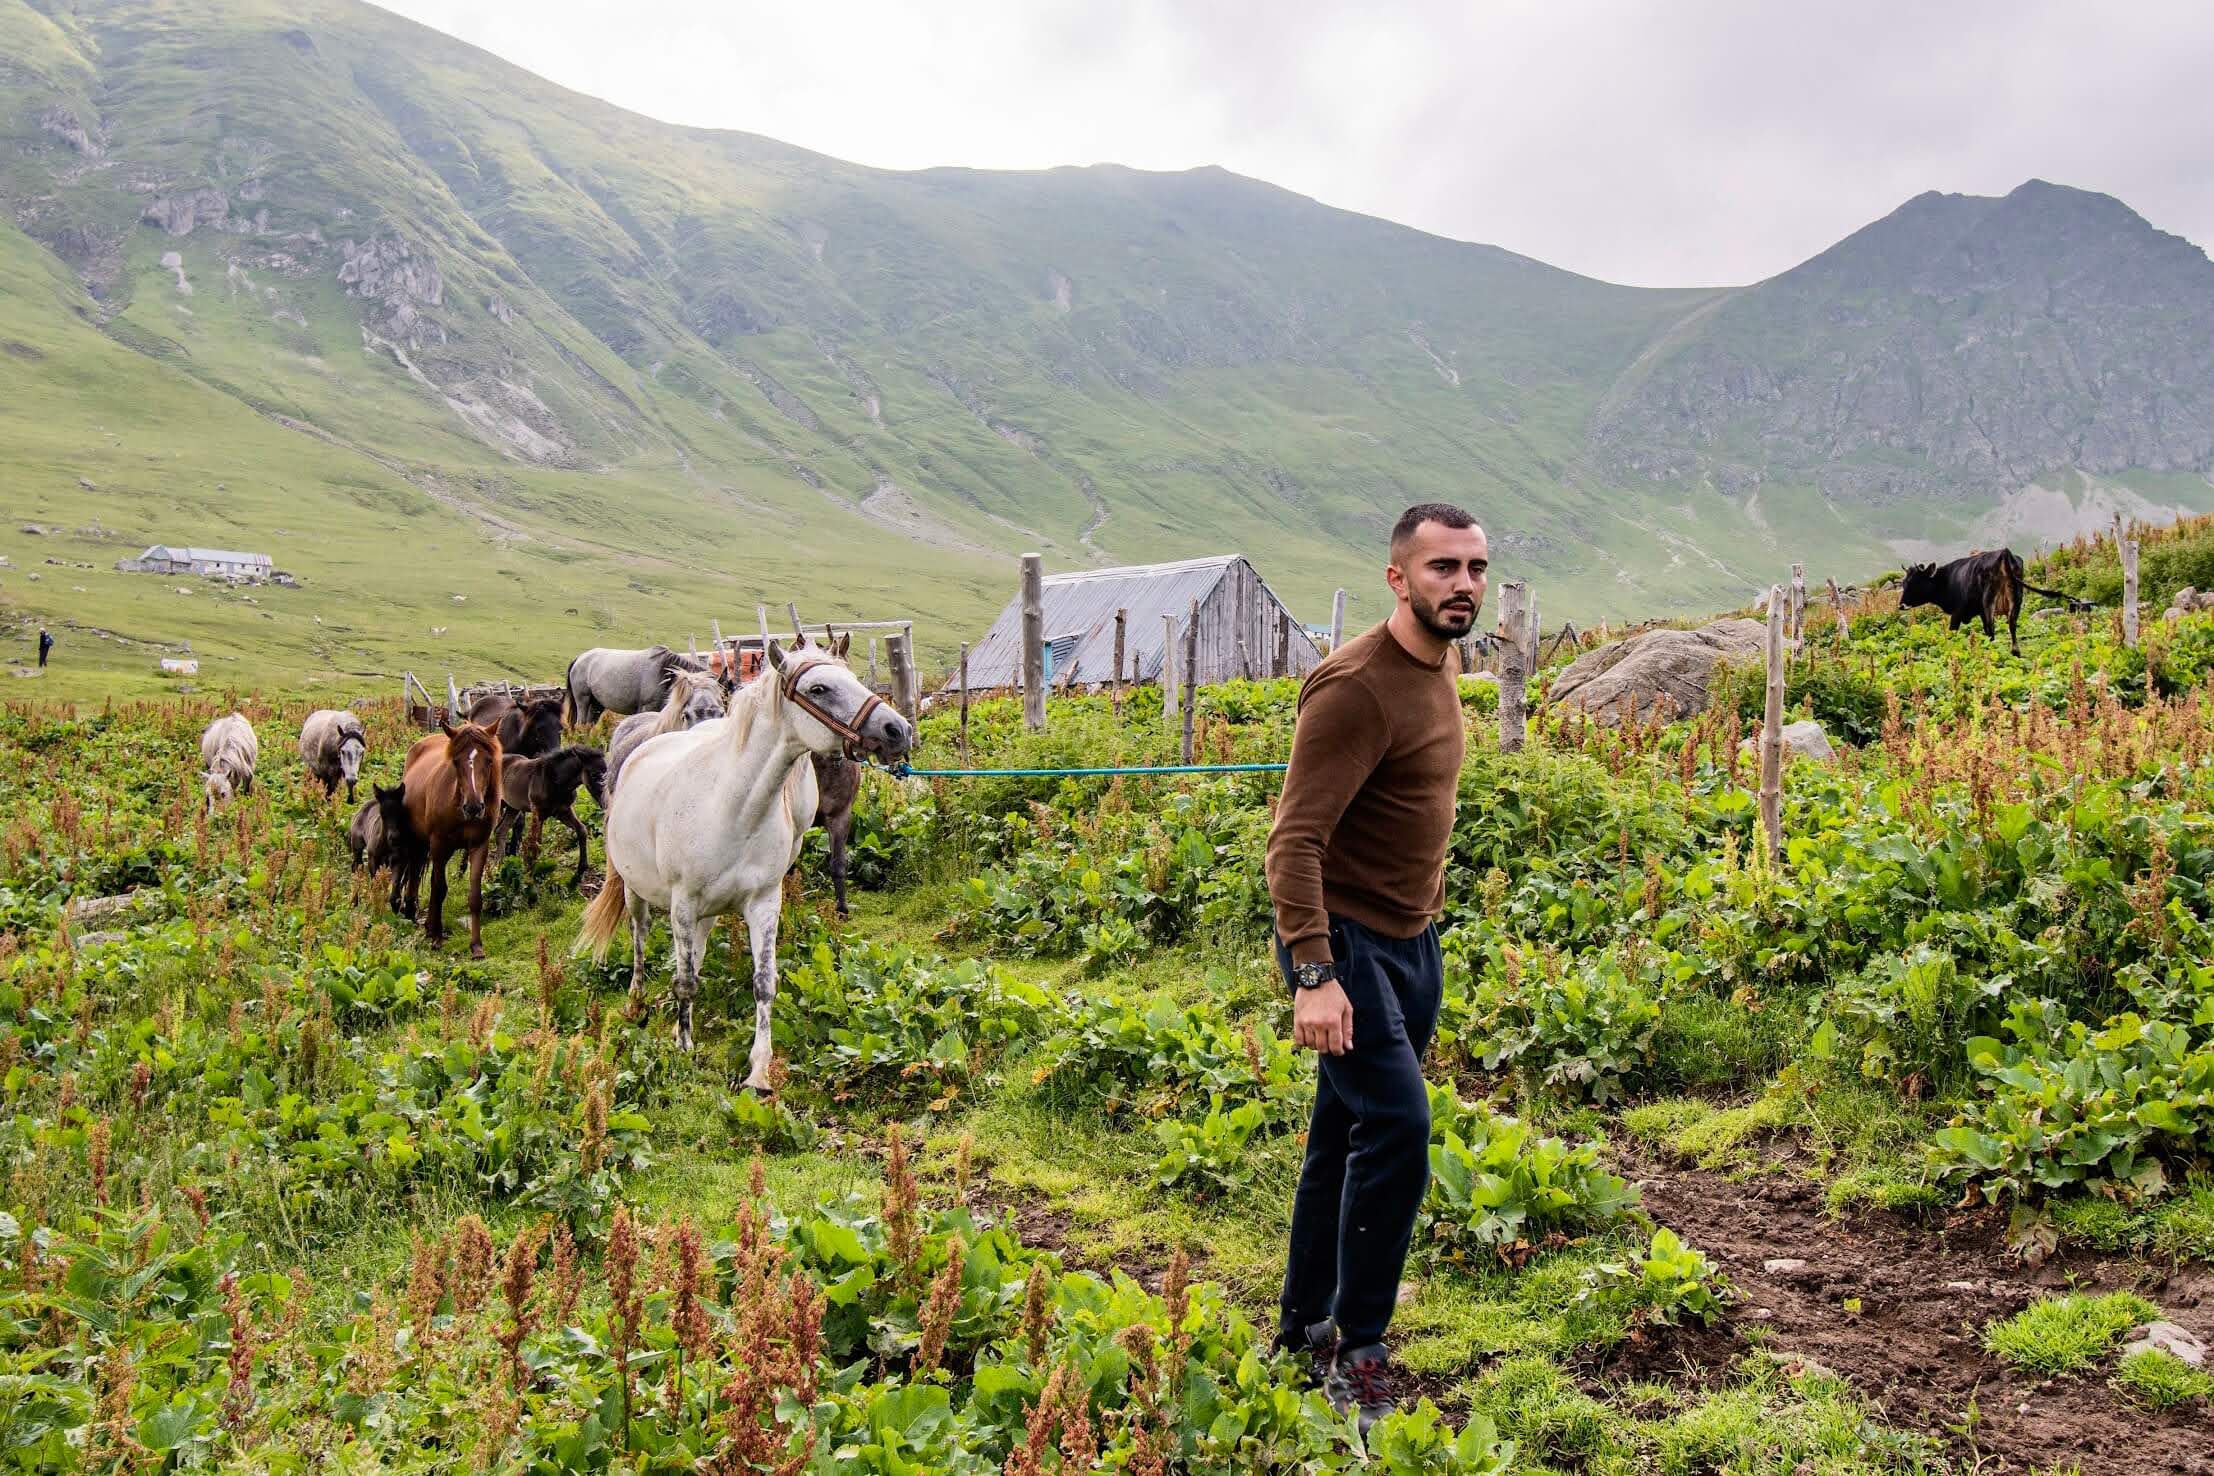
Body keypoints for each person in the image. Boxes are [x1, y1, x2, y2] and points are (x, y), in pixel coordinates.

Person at [1262, 502, 1487, 1430]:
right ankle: (1360, 1350)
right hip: (1345, 945)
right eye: (1443, 569)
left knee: (1340, 1130)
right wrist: (1316, 975)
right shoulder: (1354, 685)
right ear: (1399, 578)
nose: (1463, 585)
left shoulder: (1443, 662)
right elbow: (1294, 843)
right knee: (1397, 1126)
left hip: (1411, 943)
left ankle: (1300, 1327)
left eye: (1475, 568)